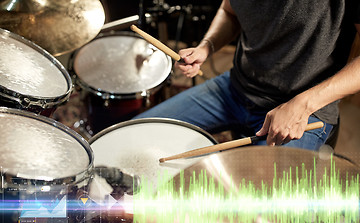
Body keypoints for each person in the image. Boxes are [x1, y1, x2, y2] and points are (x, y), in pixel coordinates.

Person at [134, 0, 360, 151]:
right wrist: (207, 46)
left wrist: (303, 104)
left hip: (306, 107)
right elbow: (228, 10)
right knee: (133, 136)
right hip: (235, 87)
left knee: (263, 215)